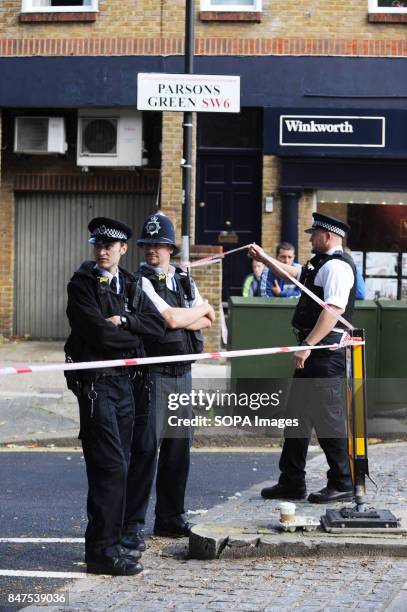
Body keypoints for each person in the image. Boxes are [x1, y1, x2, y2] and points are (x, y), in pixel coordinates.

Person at [64, 217, 165, 575]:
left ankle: (115, 543)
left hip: (125, 384)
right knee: (109, 468)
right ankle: (102, 555)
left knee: (123, 466)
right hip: (96, 385)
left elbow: (157, 327)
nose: (102, 251)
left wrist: (125, 322)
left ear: (123, 249)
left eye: (110, 245)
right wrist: (131, 337)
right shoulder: (82, 284)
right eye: (98, 245)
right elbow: (97, 334)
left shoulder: (133, 284)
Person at [122, 213, 215, 552]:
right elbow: (171, 318)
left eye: (159, 245)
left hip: (182, 374)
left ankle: (170, 516)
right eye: (147, 245)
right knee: (145, 449)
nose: (152, 251)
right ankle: (131, 524)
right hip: (153, 376)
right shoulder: (140, 282)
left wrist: (193, 316)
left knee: (178, 450)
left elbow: (210, 317)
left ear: (171, 248)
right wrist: (194, 315)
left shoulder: (185, 280)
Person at [249, 212, 356, 504]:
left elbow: (332, 311)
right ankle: (292, 482)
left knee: (327, 418)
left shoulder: (337, 267)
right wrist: (265, 258)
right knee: (297, 418)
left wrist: (308, 343)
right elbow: (292, 275)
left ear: (329, 236)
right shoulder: (320, 263)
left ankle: (342, 482)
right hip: (315, 352)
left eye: (314, 234)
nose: (309, 238)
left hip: (325, 352)